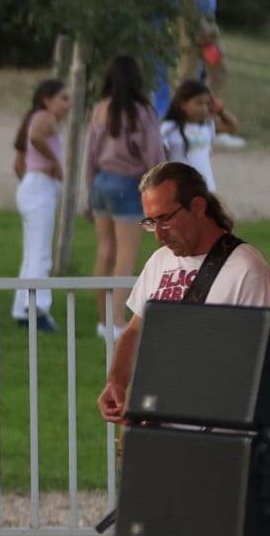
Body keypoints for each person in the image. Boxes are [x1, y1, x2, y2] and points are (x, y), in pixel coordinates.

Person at [99, 162, 270, 423]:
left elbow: (254, 362)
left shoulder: (247, 270)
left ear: (198, 207)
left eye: (165, 219)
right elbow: (135, 331)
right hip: (160, 430)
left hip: (217, 437)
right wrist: (117, 382)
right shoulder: (160, 261)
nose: (158, 234)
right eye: (150, 222)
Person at [84, 54, 167, 340]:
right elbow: (153, 155)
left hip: (101, 182)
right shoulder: (142, 112)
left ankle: (103, 319)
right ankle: (118, 322)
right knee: (126, 257)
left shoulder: (99, 109)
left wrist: (89, 192)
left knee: (104, 252)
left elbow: (90, 156)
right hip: (128, 184)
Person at [168, 0, 243, 146]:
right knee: (187, 74)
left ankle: (205, 123)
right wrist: (193, 24)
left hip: (207, 21)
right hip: (192, 22)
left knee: (216, 69)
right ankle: (177, 128)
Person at [12, 79, 71, 331]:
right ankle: (38, 310)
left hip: (33, 186)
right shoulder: (45, 118)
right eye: (63, 98)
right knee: (41, 254)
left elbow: (20, 161)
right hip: (40, 188)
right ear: (47, 99)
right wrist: (55, 163)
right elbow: (36, 138)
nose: (68, 105)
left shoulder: (36, 116)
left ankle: (22, 308)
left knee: (31, 254)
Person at [159, 78, 238, 191]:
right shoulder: (168, 128)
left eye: (207, 104)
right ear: (183, 104)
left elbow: (232, 126)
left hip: (207, 187)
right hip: (180, 189)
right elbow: (159, 157)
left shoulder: (206, 126)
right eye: (198, 103)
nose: (204, 108)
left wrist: (220, 110)